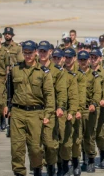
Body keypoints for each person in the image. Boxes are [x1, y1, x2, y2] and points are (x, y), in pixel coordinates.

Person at [6, 40, 55, 176]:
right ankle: (19, 172)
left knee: (35, 148)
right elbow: (9, 89)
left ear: (36, 53)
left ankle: (37, 169)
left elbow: (49, 95)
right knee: (17, 147)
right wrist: (7, 106)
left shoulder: (43, 72)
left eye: (30, 53)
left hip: (36, 113)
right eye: (25, 53)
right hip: (17, 112)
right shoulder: (15, 69)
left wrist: (48, 114)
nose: (27, 56)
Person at [38, 43, 66, 176]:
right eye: (40, 51)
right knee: (36, 143)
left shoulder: (57, 71)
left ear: (50, 52)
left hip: (52, 110)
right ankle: (39, 167)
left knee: (51, 143)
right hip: (35, 110)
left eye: (45, 51)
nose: (42, 54)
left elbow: (61, 91)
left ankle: (52, 165)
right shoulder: (33, 68)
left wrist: (60, 107)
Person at [77, 50, 102, 173]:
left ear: (88, 60)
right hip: (77, 109)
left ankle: (91, 159)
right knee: (78, 136)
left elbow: (97, 92)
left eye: (84, 60)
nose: (82, 62)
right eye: (80, 60)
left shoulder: (94, 75)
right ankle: (84, 159)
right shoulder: (75, 74)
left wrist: (94, 103)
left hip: (89, 109)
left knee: (89, 136)